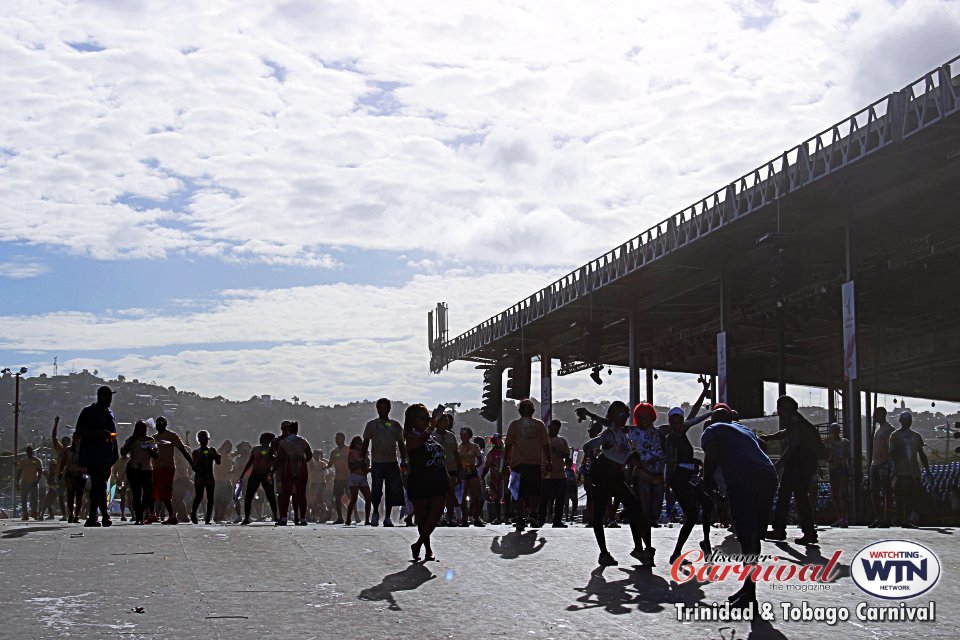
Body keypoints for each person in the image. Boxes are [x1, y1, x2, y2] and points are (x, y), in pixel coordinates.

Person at [701, 406, 778, 610]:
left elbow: (711, 454)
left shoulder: (712, 430)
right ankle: (748, 588)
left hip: (744, 479)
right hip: (768, 475)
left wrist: (705, 482)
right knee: (753, 536)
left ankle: (749, 594)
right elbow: (762, 445)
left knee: (746, 536)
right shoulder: (744, 430)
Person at [577, 401, 650, 566]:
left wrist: (632, 457)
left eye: (625, 415)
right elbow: (588, 445)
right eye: (620, 415)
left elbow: (621, 457)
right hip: (603, 473)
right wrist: (590, 462)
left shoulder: (623, 434)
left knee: (633, 506)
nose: (623, 418)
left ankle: (638, 549)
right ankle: (603, 552)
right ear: (611, 416)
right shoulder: (609, 433)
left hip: (616, 476)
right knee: (600, 512)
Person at [761, 395, 824, 545]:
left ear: (784, 408)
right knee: (800, 496)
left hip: (798, 463)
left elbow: (793, 445)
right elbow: (785, 433)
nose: (779, 412)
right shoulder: (797, 420)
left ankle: (779, 530)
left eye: (779, 408)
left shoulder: (793, 420)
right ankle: (809, 532)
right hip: (806, 463)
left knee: (784, 495)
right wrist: (769, 437)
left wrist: (780, 463)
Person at [663, 396, 715, 565]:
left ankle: (706, 543)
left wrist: (704, 393)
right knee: (692, 516)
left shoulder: (681, 433)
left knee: (708, 504)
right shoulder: (671, 439)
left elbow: (694, 414)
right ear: (670, 423)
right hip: (679, 480)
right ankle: (676, 554)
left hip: (688, 478)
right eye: (674, 422)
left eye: (680, 422)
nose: (678, 425)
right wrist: (667, 488)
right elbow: (670, 464)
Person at [404, 404, 450, 561]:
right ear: (413, 421)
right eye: (422, 419)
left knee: (435, 515)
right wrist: (431, 426)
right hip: (420, 480)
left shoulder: (432, 437)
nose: (426, 422)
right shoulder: (411, 437)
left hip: (438, 479)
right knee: (423, 517)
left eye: (428, 418)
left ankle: (418, 544)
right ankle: (427, 548)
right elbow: (418, 442)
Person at [74, 386, 120, 527]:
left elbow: (113, 435)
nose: (110, 400)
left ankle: (95, 517)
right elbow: (79, 431)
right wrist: (99, 434)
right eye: (108, 397)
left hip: (107, 456)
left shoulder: (110, 414)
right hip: (93, 455)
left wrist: (115, 452)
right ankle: (99, 516)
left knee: (100, 486)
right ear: (101, 397)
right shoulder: (88, 412)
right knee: (98, 485)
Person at [504, 399, 551, 531]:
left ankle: (522, 517)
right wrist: (549, 461)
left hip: (521, 464)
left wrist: (505, 463)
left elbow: (508, 446)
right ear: (533, 411)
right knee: (533, 492)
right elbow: (546, 445)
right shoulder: (539, 424)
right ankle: (531, 515)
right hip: (531, 463)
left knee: (520, 493)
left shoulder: (515, 425)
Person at [362, 398, 408, 527]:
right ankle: (375, 512)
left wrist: (404, 459)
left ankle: (387, 517)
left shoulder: (395, 425)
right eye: (380, 408)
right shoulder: (371, 425)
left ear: (389, 409)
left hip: (391, 462)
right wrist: (362, 458)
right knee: (376, 490)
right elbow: (365, 442)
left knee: (391, 491)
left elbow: (401, 444)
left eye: (384, 408)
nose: (382, 410)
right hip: (377, 462)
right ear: (377, 409)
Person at [889, 411, 930, 528]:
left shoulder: (916, 436)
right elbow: (891, 454)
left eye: (909, 420)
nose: (907, 422)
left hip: (913, 471)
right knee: (900, 496)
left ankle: (906, 519)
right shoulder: (895, 436)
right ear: (900, 421)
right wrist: (893, 470)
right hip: (900, 471)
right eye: (905, 420)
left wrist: (927, 469)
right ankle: (899, 519)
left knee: (911, 496)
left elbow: (921, 454)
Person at [629, 403, 666, 529]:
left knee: (655, 513)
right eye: (641, 417)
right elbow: (613, 426)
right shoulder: (634, 431)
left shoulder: (661, 432)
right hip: (642, 473)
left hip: (658, 475)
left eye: (647, 417)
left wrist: (709, 414)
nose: (644, 420)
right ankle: (644, 542)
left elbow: (687, 423)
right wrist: (591, 415)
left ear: (652, 417)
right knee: (644, 512)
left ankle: (647, 527)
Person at [152, 415, 194, 525]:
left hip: (167, 468)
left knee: (167, 493)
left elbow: (184, 450)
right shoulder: (153, 438)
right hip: (156, 468)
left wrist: (192, 464)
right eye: (158, 424)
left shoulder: (171, 436)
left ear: (165, 425)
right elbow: (152, 454)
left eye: (161, 424)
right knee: (155, 493)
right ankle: (153, 515)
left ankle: (172, 515)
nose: (159, 426)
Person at [120, 420, 159, 525]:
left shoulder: (150, 440)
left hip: (147, 469)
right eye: (142, 427)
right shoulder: (132, 440)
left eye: (145, 428)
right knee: (136, 494)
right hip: (134, 469)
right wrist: (129, 446)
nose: (144, 430)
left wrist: (149, 449)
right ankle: (138, 517)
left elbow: (156, 455)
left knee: (148, 494)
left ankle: (141, 512)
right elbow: (123, 452)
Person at [276, 421, 313, 526]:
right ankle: (303, 518)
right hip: (301, 470)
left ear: (288, 430)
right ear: (297, 430)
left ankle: (284, 518)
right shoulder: (303, 441)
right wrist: (302, 462)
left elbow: (279, 457)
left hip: (287, 470)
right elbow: (309, 455)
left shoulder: (283, 443)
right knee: (301, 494)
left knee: (285, 495)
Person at [240, 433, 279, 524]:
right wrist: (243, 473)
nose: (266, 442)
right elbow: (250, 462)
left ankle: (276, 516)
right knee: (249, 495)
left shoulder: (271, 451)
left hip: (266, 473)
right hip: (256, 473)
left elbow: (275, 464)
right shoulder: (256, 449)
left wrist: (272, 460)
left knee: (271, 496)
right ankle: (246, 517)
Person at [539, 420, 571, 528]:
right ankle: (541, 519)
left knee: (560, 499)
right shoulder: (542, 440)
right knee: (544, 498)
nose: (555, 430)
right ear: (549, 427)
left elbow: (567, 455)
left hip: (560, 475)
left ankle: (557, 520)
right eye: (553, 428)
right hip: (546, 475)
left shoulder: (562, 441)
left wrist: (556, 450)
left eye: (557, 428)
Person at [868, 407, 895, 528]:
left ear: (882, 414)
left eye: (875, 414)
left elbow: (891, 450)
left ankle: (886, 519)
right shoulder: (878, 430)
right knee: (873, 491)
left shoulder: (889, 430)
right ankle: (879, 517)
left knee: (886, 492)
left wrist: (889, 464)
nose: (874, 416)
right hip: (875, 463)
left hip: (884, 463)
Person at [434, 413, 462, 526]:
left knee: (450, 493)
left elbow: (456, 453)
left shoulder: (451, 436)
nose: (447, 423)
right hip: (437, 468)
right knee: (438, 494)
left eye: (447, 421)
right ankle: (438, 517)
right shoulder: (432, 435)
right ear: (438, 422)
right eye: (444, 421)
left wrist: (460, 469)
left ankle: (451, 517)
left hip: (451, 468)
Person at [190, 430, 221, 525]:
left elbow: (218, 462)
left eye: (205, 439)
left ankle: (207, 518)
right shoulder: (196, 452)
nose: (204, 441)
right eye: (202, 439)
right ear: (199, 440)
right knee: (199, 496)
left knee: (210, 498)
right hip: (200, 476)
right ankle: (193, 513)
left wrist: (216, 456)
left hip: (209, 476)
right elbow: (194, 466)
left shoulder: (211, 450)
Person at [458, 427, 485, 526]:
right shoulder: (459, 447)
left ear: (469, 435)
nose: (463, 437)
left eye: (465, 435)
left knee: (476, 496)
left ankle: (476, 517)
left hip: (472, 472)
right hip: (463, 472)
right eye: (461, 435)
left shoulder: (475, 446)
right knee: (463, 497)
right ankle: (464, 519)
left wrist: (475, 467)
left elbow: (480, 461)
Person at [826, 423, 850, 528]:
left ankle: (844, 517)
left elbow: (845, 454)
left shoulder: (844, 442)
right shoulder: (828, 442)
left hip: (842, 468)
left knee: (843, 493)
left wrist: (833, 449)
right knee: (835, 494)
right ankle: (840, 517)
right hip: (833, 469)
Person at [59, 435, 86, 523]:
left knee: (79, 496)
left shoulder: (84, 450)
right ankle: (71, 514)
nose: (77, 440)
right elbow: (63, 461)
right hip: (69, 473)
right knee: (70, 494)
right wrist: (60, 471)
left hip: (80, 474)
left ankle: (77, 515)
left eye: (79, 438)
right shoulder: (67, 450)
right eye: (75, 438)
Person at [346, 436, 372, 526]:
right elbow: (351, 466)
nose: (360, 445)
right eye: (358, 443)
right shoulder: (352, 452)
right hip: (354, 477)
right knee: (354, 498)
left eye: (361, 443)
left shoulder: (365, 454)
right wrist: (360, 463)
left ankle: (367, 520)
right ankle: (348, 519)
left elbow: (366, 467)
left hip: (363, 477)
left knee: (368, 498)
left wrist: (368, 467)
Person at [16, 445, 44, 520]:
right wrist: (17, 483)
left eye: (30, 451)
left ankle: (34, 513)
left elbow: (40, 471)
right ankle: (25, 514)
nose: (29, 453)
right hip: (24, 482)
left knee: (34, 499)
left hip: (33, 482)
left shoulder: (37, 460)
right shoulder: (23, 461)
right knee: (23, 499)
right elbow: (19, 471)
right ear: (26, 452)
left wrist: (37, 481)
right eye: (28, 451)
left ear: (32, 452)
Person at [481, 434, 505, 524]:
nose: (500, 441)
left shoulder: (505, 451)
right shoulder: (491, 453)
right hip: (495, 479)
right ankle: (498, 517)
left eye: (500, 439)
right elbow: (487, 466)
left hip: (504, 477)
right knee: (496, 498)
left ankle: (506, 516)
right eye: (497, 440)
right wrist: (482, 476)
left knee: (506, 495)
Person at [50, 416, 69, 520]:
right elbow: (53, 437)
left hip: (70, 475)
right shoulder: (60, 449)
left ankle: (71, 513)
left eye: (67, 441)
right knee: (61, 496)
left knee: (70, 496)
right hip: (60, 476)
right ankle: (65, 515)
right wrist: (56, 424)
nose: (65, 443)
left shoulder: (72, 451)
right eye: (64, 441)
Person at [328, 433, 349, 524]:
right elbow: (330, 464)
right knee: (337, 498)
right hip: (338, 478)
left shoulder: (348, 450)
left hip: (348, 478)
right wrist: (323, 467)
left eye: (338, 438)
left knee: (351, 496)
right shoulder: (334, 452)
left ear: (343, 439)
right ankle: (340, 517)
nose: (336, 440)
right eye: (336, 439)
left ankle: (355, 515)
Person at [213, 440, 234, 523]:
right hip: (222, 480)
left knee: (221, 500)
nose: (229, 449)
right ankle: (219, 515)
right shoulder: (223, 455)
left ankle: (220, 515)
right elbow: (225, 468)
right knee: (222, 500)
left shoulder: (225, 455)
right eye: (229, 447)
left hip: (222, 480)